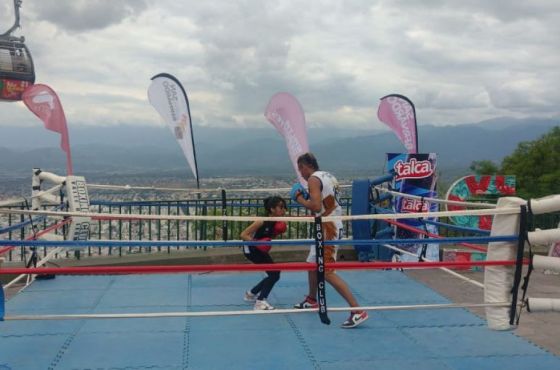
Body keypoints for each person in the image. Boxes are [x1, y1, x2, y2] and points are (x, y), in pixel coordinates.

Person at [291, 152, 368, 328]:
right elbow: (324, 205)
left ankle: (358, 310)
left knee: (327, 271)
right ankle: (311, 299)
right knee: (312, 264)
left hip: (328, 229)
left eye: (300, 169)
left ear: (304, 166)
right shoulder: (328, 176)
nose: (301, 174)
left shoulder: (313, 179)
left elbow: (316, 206)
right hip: (326, 225)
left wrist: (300, 199)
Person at [240, 196, 288, 310]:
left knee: (274, 273)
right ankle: (260, 301)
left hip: (258, 250)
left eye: (284, 207)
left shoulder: (276, 222)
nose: (283, 210)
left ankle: (251, 294)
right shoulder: (261, 221)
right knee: (274, 274)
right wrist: (256, 242)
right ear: (272, 209)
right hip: (251, 250)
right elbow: (243, 234)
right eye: (280, 207)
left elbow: (266, 236)